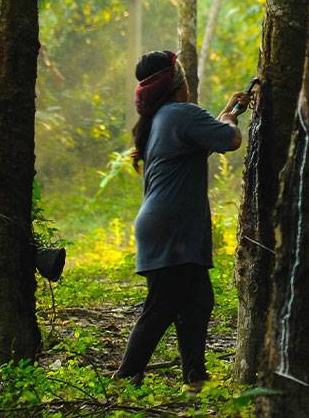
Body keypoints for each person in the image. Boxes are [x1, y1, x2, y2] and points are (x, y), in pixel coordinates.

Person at [113, 50, 250, 393]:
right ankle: (126, 377)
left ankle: (195, 378)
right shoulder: (181, 114)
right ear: (178, 83)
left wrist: (228, 112)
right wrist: (231, 121)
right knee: (162, 305)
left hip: (165, 224)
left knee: (198, 299)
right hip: (172, 225)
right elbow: (228, 140)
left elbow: (205, 140)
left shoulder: (164, 118)